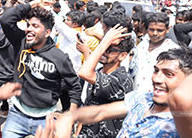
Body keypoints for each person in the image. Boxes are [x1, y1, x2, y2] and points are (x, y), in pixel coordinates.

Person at [56, 47, 192, 138]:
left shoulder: (181, 122)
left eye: (169, 74)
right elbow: (100, 112)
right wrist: (70, 117)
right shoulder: (142, 99)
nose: (157, 78)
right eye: (156, 71)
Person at [0, 0, 82, 137]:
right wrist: (33, 4)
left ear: (47, 32)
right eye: (28, 25)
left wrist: (70, 116)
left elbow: (74, 86)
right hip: (17, 115)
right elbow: (6, 20)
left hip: (46, 118)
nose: (28, 29)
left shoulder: (59, 57)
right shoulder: (21, 42)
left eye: (35, 26)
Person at [75, 25, 134, 137]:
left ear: (122, 56)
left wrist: (105, 41)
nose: (104, 52)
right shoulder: (99, 72)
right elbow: (88, 105)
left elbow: (84, 73)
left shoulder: (122, 79)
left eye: (110, 50)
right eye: (104, 47)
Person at [134, 12, 178, 93]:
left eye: (160, 30)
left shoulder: (173, 50)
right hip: (136, 96)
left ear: (167, 29)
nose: (155, 33)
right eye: (151, 29)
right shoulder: (141, 45)